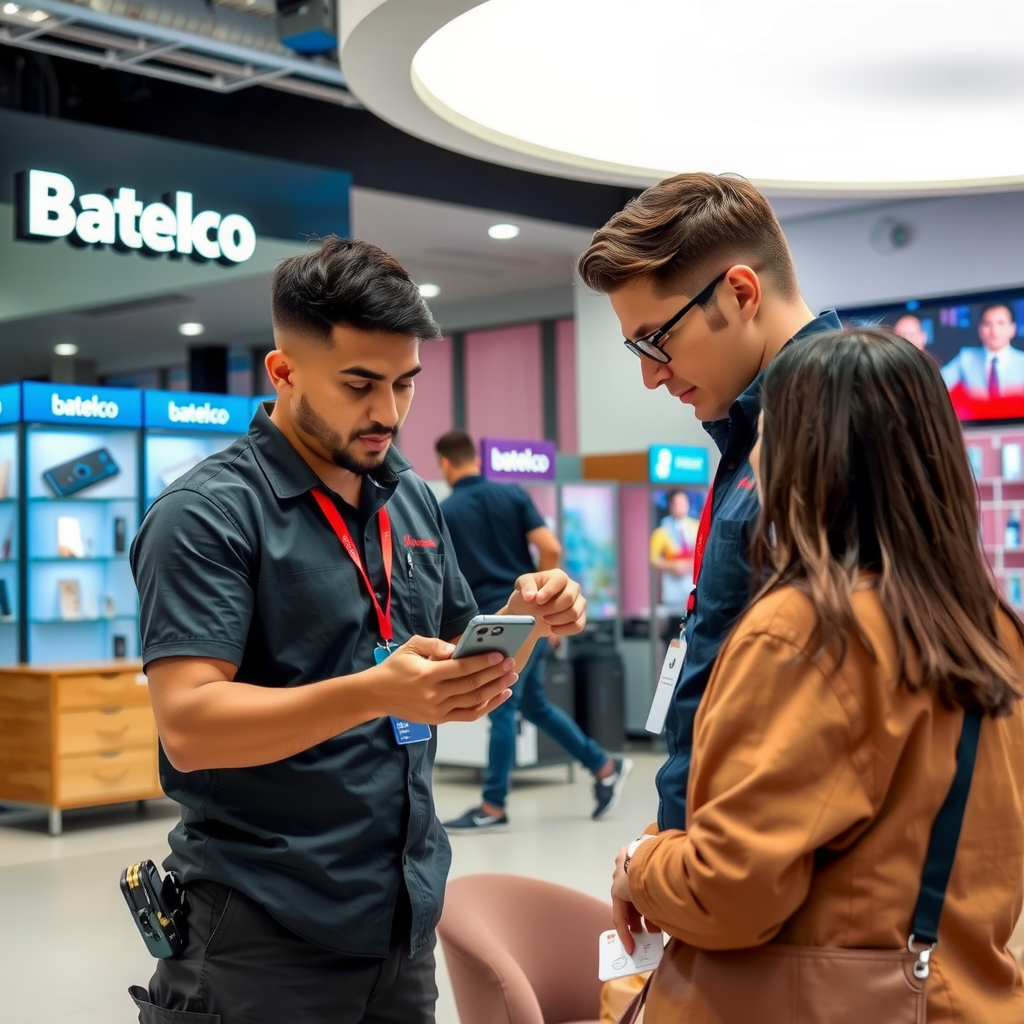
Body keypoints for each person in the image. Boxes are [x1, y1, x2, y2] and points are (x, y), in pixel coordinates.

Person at [127, 237, 587, 1024]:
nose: (389, 412)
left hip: (400, 925)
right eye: (359, 384)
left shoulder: (408, 499)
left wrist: (525, 616)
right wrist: (377, 691)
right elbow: (191, 728)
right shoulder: (206, 515)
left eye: (405, 383)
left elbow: (454, 680)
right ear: (283, 372)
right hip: (262, 930)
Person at [609, 329, 1024, 1023]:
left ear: (807, 458)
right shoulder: (993, 629)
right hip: (959, 993)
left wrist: (639, 863)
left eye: (769, 435)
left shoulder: (806, 630)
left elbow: (730, 894)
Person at [576, 172, 841, 837]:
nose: (650, 374)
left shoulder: (837, 423)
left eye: (654, 340)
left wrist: (695, 868)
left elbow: (826, 714)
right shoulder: (755, 428)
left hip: (773, 876)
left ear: (741, 292)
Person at [433, 429, 631, 832]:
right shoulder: (512, 495)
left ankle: (493, 806)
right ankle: (605, 765)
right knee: (533, 704)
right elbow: (551, 548)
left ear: (445, 465)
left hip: (491, 623)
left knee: (501, 707)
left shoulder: (446, 511)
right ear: (476, 457)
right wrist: (545, 609)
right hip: (529, 613)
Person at [941, 301, 1024, 397]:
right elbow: (938, 383)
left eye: (1000, 323)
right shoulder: (966, 358)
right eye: (987, 324)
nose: (994, 331)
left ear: (1012, 328)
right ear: (980, 329)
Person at [649, 489, 699, 639]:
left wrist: (689, 564)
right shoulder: (662, 531)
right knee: (674, 631)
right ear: (671, 506)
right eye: (678, 503)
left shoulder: (696, 527)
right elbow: (653, 559)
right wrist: (671, 566)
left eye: (685, 503)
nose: (682, 506)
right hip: (673, 588)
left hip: (692, 584)